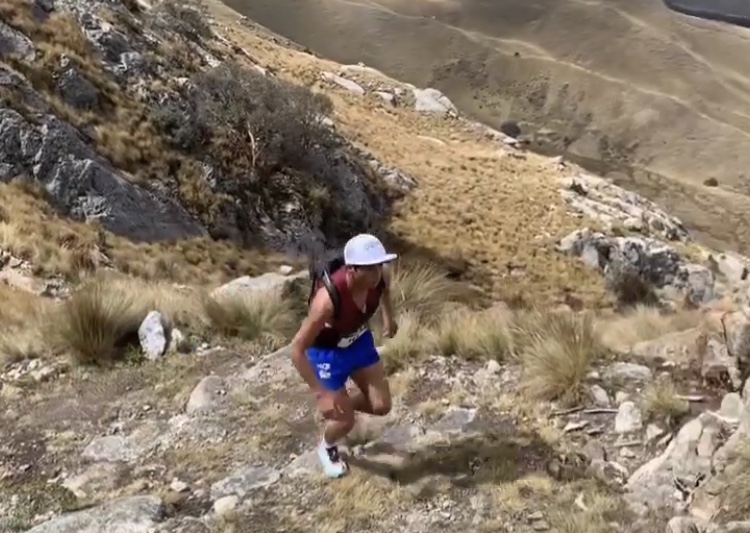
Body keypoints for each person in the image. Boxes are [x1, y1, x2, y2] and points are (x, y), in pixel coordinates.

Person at [290, 233, 399, 478]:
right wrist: (321, 394)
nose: (377, 273)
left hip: (358, 340)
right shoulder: (327, 301)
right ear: (352, 270)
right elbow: (297, 349)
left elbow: (385, 292)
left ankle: (340, 408)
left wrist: (388, 318)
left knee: (381, 406)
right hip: (327, 353)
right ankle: (327, 446)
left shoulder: (378, 279)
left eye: (379, 266)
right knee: (344, 423)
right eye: (370, 269)